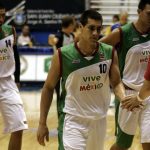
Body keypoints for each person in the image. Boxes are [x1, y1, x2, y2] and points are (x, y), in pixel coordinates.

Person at [37, 9, 128, 150]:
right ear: (80, 27)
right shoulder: (63, 55)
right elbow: (48, 88)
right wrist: (42, 123)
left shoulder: (109, 52)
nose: (96, 33)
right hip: (73, 121)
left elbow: (116, 83)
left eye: (99, 29)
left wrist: (124, 98)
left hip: (99, 120)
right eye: (91, 28)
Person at [99, 0, 150, 150]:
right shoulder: (124, 32)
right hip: (127, 94)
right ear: (139, 12)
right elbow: (98, 49)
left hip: (147, 93)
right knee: (123, 145)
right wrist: (109, 71)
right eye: (149, 13)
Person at [0, 3, 28, 150]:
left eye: (3, 15)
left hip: (7, 83)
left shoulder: (10, 30)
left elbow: (15, 56)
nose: (1, 18)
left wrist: (17, 79)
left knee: (18, 126)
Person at [48, 16, 76, 118]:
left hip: (70, 70)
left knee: (70, 94)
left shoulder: (72, 35)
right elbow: (52, 41)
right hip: (59, 71)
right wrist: (51, 40)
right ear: (70, 25)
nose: (75, 25)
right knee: (61, 95)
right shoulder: (59, 35)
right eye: (74, 24)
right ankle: (61, 118)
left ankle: (69, 116)